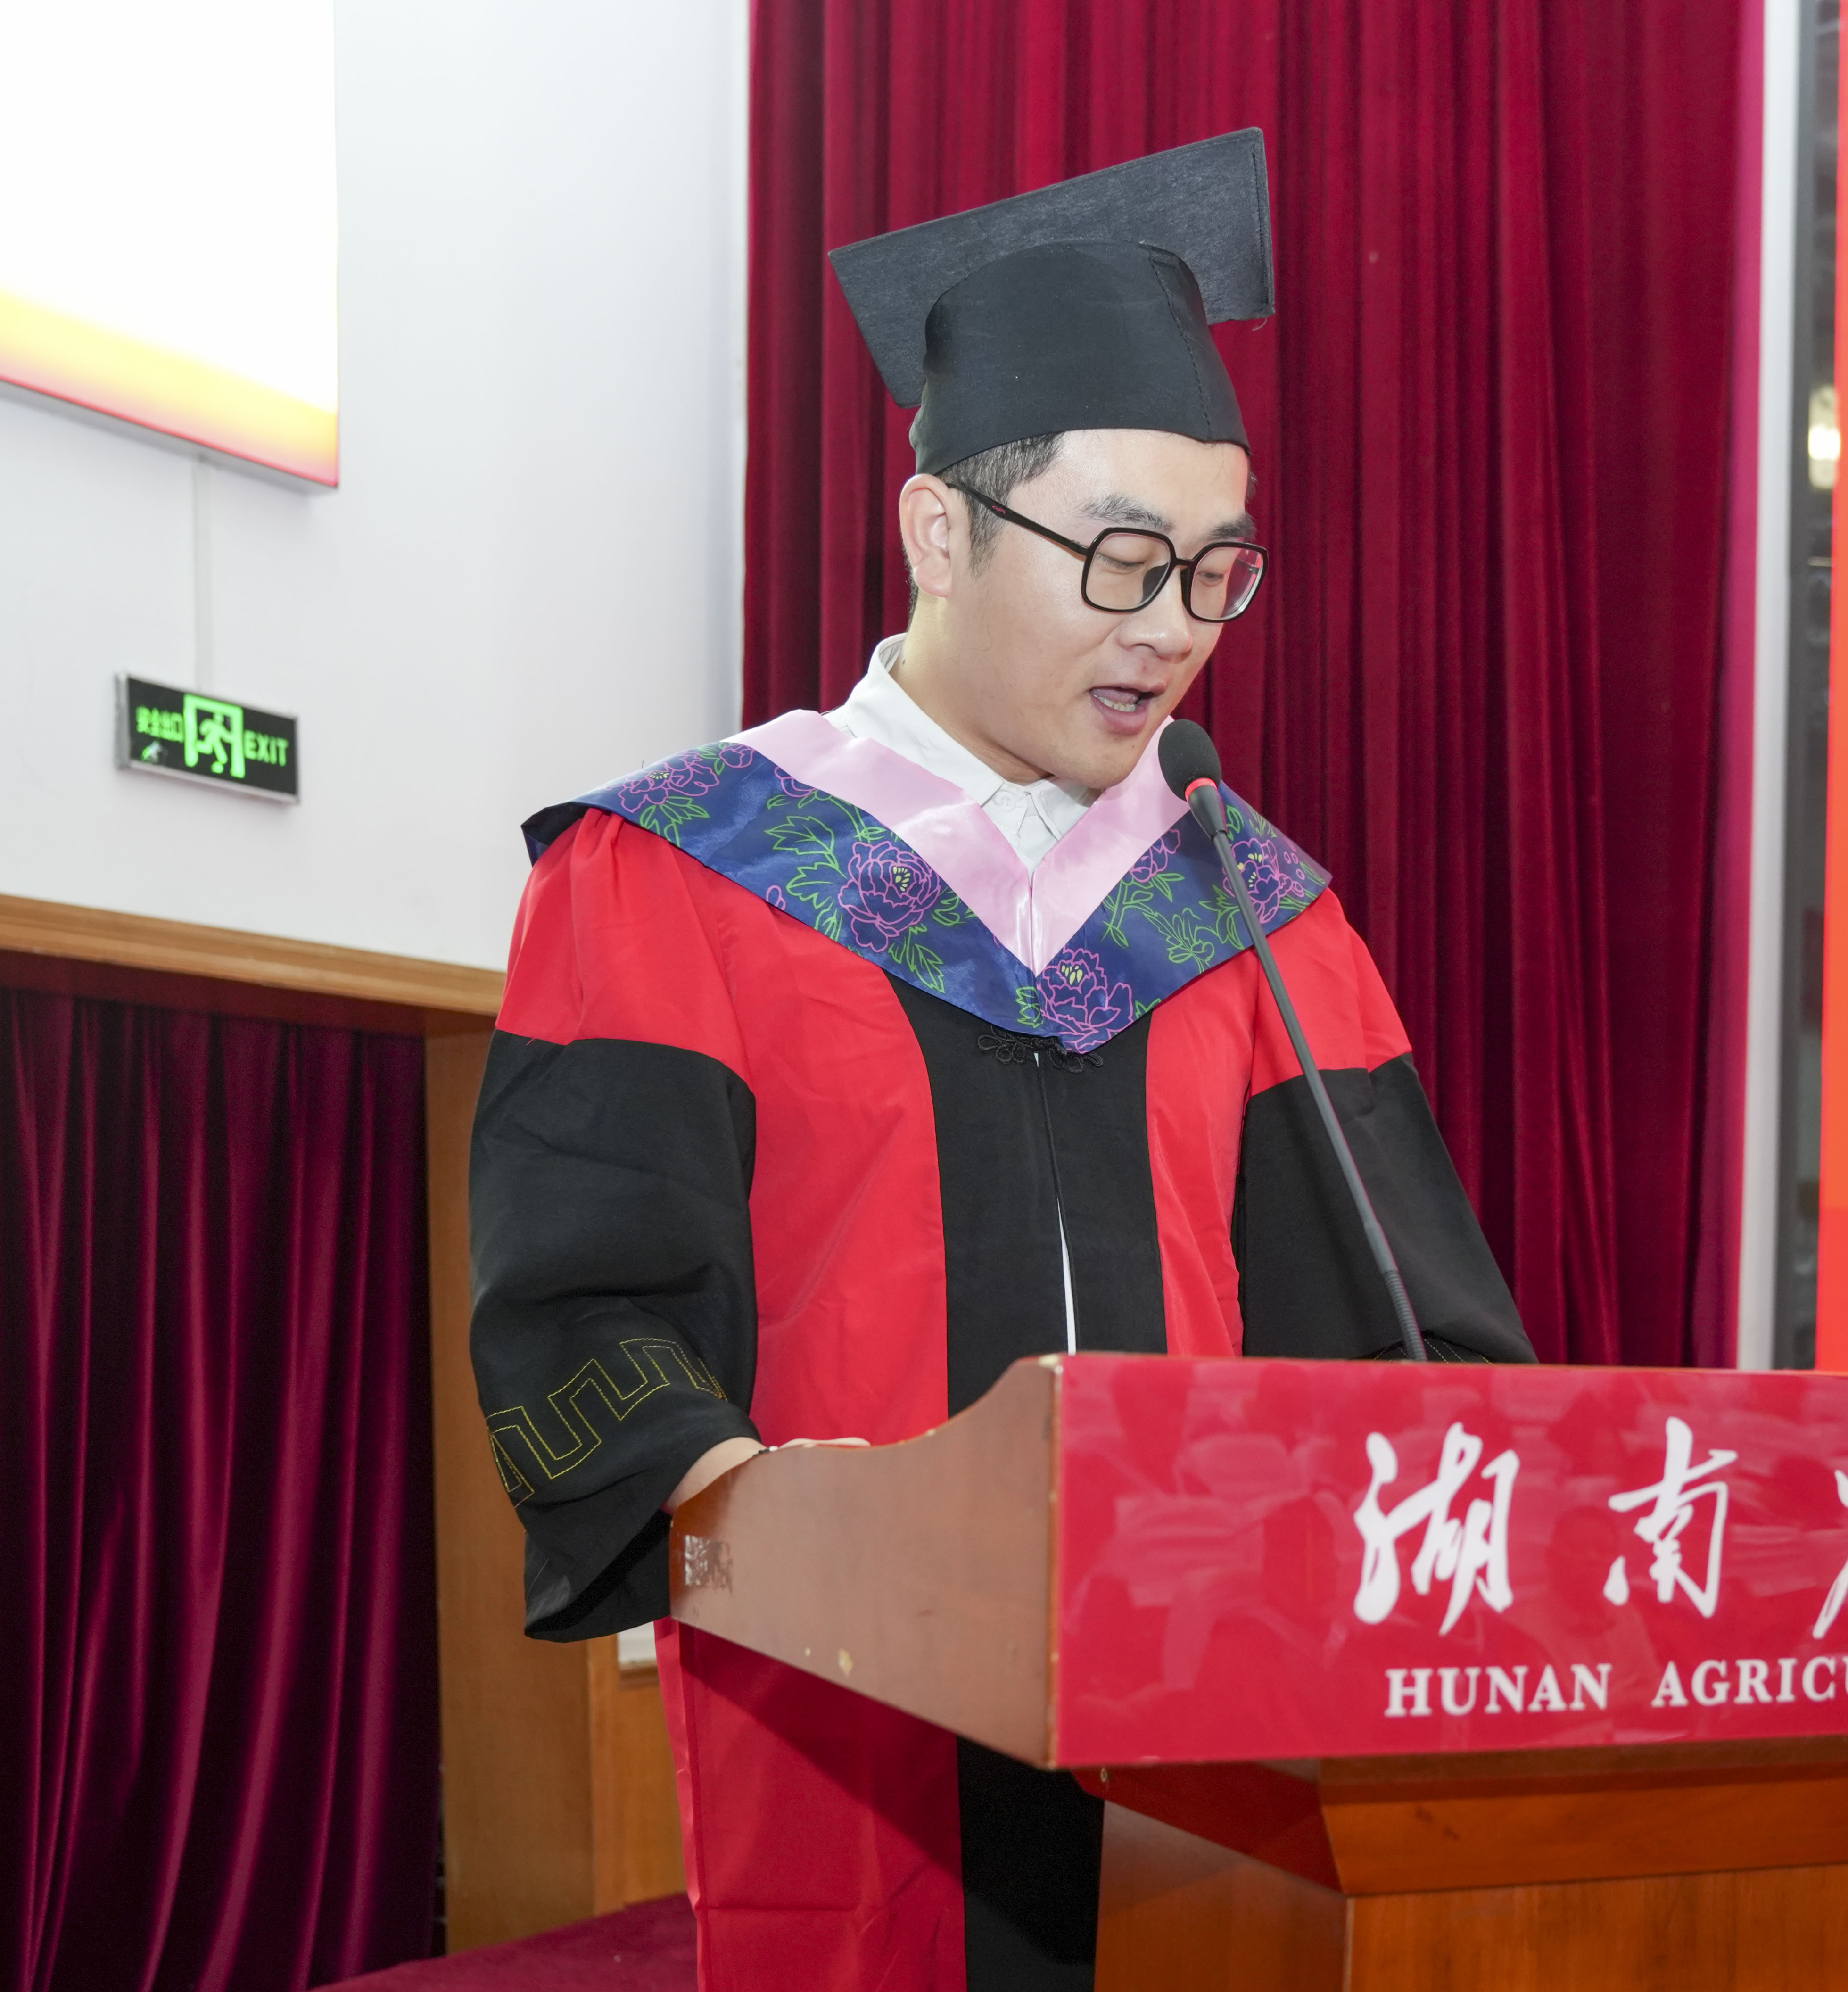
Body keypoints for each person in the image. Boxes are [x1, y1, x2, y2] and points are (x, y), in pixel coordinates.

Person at [467, 130, 1533, 1992]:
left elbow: (1403, 1349)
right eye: (1120, 560)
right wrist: (772, 1519)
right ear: (939, 533)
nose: (1171, 629)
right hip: (858, 1730)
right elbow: (586, 1322)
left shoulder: (1252, 914)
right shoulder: (685, 871)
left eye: (1215, 571)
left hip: (1222, 1749)